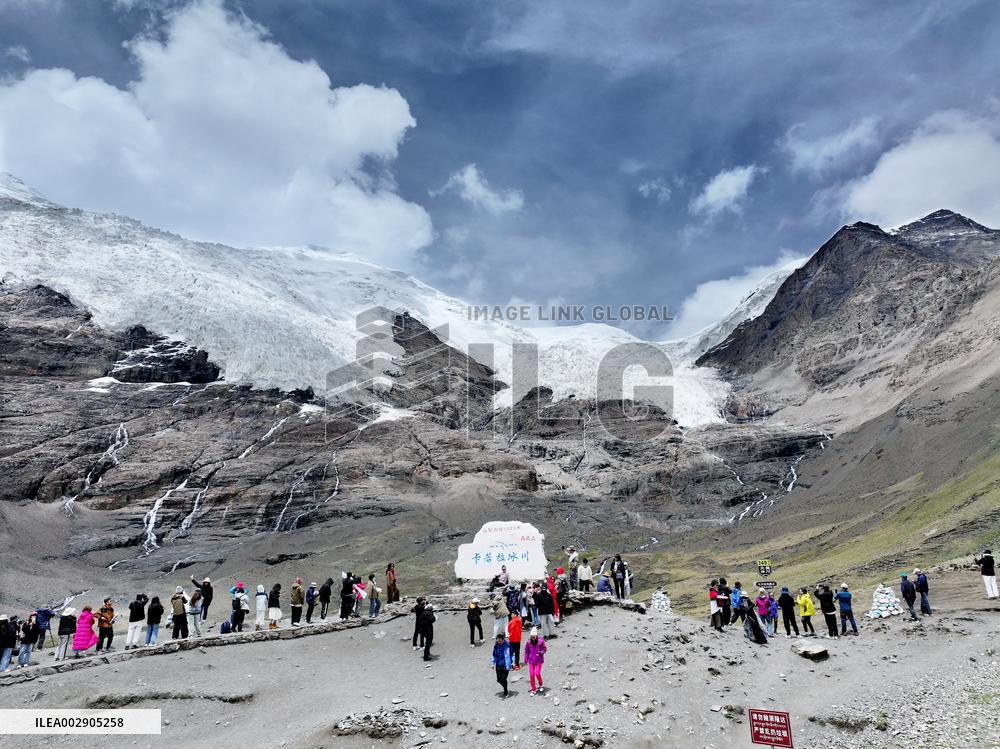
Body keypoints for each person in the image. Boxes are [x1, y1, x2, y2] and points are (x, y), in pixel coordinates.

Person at [524, 626, 547, 695]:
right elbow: (526, 651)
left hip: (539, 660)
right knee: (531, 675)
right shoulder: (528, 642)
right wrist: (526, 659)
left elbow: (544, 649)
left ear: (536, 636)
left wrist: (540, 653)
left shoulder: (541, 641)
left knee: (537, 673)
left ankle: (541, 684)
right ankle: (533, 689)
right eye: (532, 636)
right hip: (531, 661)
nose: (533, 638)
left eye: (534, 636)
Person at [491, 633, 514, 698]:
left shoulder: (507, 646)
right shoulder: (496, 646)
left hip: (506, 665)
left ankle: (506, 691)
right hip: (498, 665)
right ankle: (506, 688)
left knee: (503, 679)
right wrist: (492, 663)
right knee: (498, 679)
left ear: (503, 640)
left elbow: (512, 654)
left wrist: (513, 662)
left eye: (500, 641)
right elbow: (494, 655)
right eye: (498, 641)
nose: (499, 642)